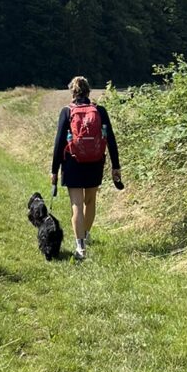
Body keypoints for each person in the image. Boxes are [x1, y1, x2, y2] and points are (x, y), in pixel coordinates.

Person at [50, 76, 121, 259]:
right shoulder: (100, 111)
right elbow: (111, 139)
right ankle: (86, 234)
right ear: (89, 91)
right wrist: (116, 166)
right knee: (90, 201)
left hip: (72, 163)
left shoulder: (67, 111)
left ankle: (80, 247)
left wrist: (54, 170)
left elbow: (59, 143)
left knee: (76, 204)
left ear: (72, 92)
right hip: (95, 162)